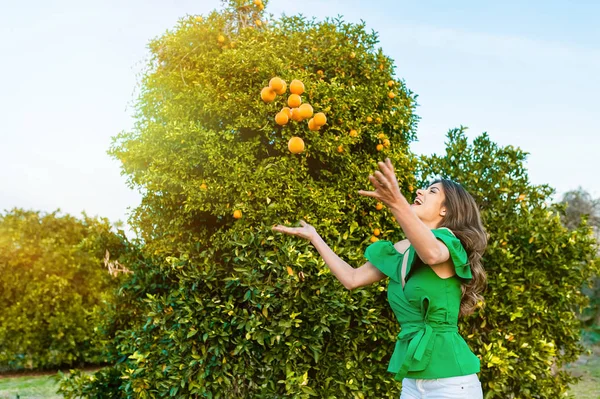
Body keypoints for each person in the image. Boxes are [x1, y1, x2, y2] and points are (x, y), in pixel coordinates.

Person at [272, 158, 487, 398]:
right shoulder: (400, 249)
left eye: (432, 190)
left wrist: (396, 203)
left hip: (452, 382)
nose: (420, 191)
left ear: (445, 209)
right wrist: (315, 238)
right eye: (424, 187)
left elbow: (432, 253)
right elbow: (351, 279)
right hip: (413, 380)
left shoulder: (448, 243)